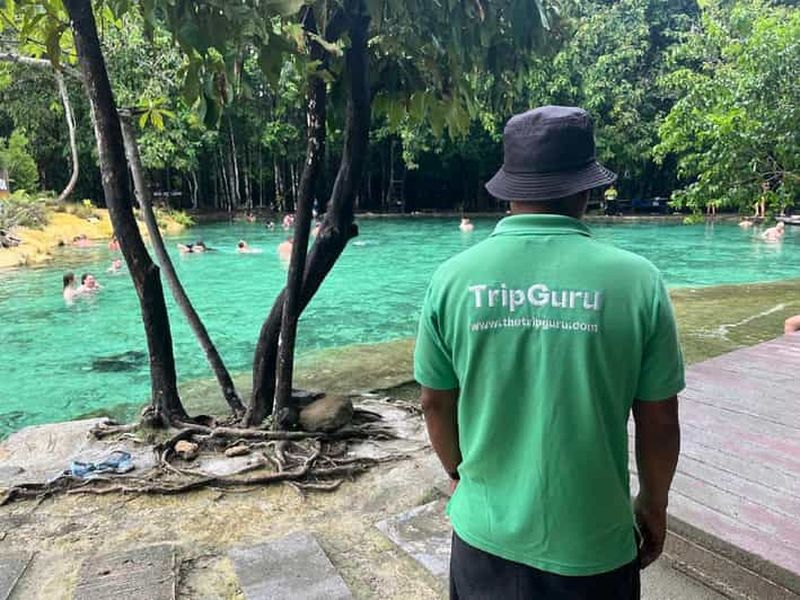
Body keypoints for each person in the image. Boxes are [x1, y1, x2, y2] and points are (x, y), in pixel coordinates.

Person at [415, 106, 684, 600]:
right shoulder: (639, 282)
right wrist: (653, 504)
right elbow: (660, 420)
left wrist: (459, 473)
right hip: (594, 544)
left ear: (509, 189)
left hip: (483, 538)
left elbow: (434, 402)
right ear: (586, 189)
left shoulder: (451, 279)